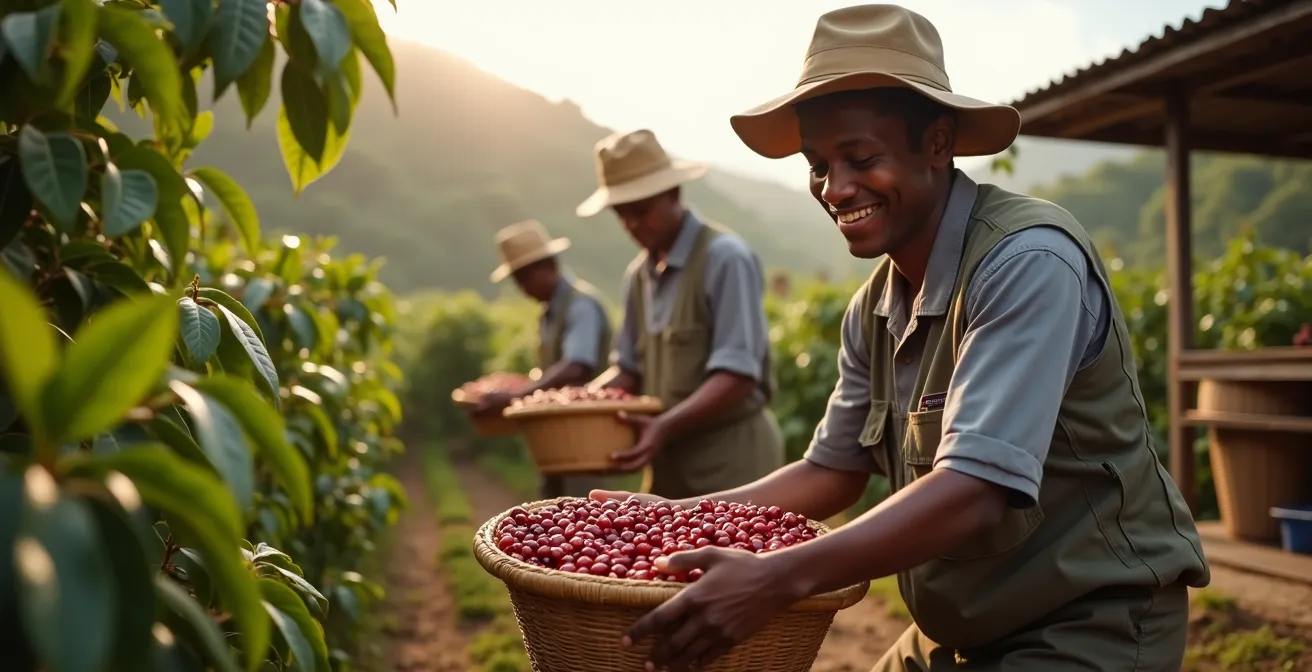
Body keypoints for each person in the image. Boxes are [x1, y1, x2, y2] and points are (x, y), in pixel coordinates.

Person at [592, 6, 1211, 671]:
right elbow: (833, 471)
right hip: (960, 628)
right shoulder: (873, 308)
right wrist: (673, 518)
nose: (835, 188)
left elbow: (974, 489)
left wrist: (777, 577)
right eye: (817, 165)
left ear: (938, 143)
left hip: (1087, 618)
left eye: (860, 158)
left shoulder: (1026, 262)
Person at [575, 128, 785, 500]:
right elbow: (628, 370)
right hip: (669, 462)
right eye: (621, 214)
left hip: (732, 461)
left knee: (736, 536)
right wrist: (578, 404)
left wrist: (664, 426)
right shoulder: (638, 276)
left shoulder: (724, 259)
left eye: (640, 210)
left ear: (673, 193)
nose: (632, 224)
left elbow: (737, 375)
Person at [474, 219, 615, 499]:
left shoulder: (580, 306)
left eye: (523, 279)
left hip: (585, 440)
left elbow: (577, 366)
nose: (521, 289)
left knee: (583, 506)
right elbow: (553, 370)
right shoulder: (549, 312)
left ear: (547, 267)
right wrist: (527, 388)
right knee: (552, 507)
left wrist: (519, 395)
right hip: (556, 438)